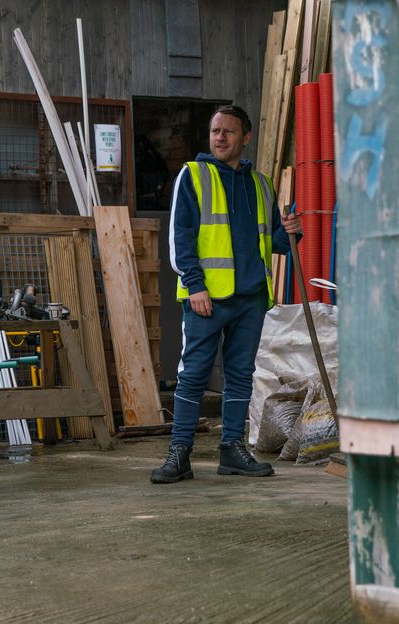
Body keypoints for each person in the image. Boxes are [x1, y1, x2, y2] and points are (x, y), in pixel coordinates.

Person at [151, 105, 301, 484]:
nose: (220, 137)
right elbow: (180, 236)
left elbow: (271, 244)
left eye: (228, 132)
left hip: (250, 299)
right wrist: (196, 284)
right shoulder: (194, 175)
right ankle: (179, 453)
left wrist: (291, 232)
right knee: (193, 375)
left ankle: (232, 450)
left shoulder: (261, 184)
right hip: (207, 299)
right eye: (215, 131)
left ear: (245, 137)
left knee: (240, 376)